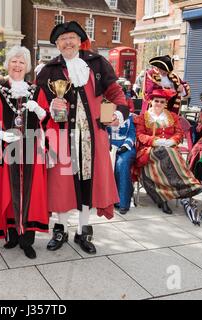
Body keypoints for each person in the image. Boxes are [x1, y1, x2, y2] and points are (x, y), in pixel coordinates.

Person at [36, 21, 129, 254]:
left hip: (92, 137)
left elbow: (115, 93)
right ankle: (60, 229)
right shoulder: (49, 70)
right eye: (62, 39)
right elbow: (39, 104)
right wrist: (49, 106)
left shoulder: (97, 63)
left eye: (71, 38)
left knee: (87, 183)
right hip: (61, 137)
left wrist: (116, 113)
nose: (67, 42)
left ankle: (83, 230)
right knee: (61, 184)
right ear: (57, 45)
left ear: (80, 41)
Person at [0, 46, 50, 259]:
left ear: (27, 67)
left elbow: (47, 119)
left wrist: (39, 110)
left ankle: (28, 240)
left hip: (32, 149)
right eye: (14, 61)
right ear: (8, 64)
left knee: (31, 193)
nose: (17, 65)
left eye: (22, 62)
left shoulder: (36, 91)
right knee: (9, 190)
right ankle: (13, 236)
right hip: (9, 149)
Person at [134, 88, 202, 214]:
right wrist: (155, 141)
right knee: (166, 152)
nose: (159, 104)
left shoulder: (173, 117)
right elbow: (140, 135)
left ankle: (163, 199)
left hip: (169, 150)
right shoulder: (143, 117)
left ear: (165, 103)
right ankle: (190, 184)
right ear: (151, 101)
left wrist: (171, 141)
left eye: (162, 101)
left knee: (166, 154)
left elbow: (179, 133)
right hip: (149, 151)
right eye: (156, 101)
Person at [107, 114, 136, 215]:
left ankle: (123, 203)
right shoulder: (105, 112)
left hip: (126, 148)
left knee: (121, 164)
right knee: (106, 166)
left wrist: (125, 145)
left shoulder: (129, 117)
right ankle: (108, 200)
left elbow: (132, 134)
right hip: (108, 146)